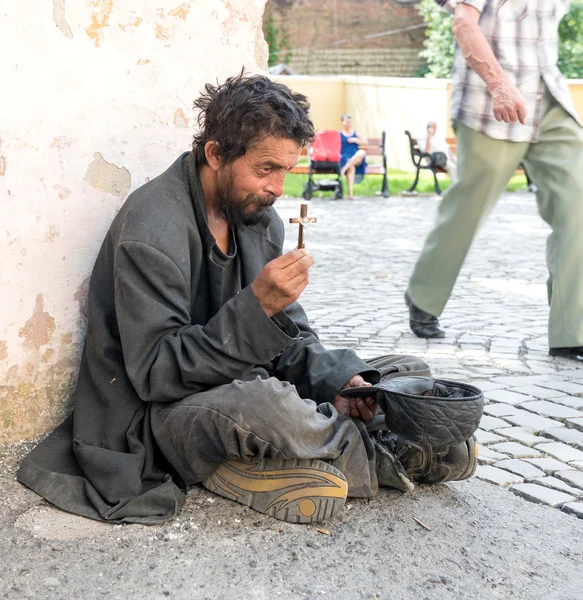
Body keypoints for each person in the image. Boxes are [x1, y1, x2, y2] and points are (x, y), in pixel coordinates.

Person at [17, 73, 477, 527]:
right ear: (216, 153)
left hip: (241, 380)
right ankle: (385, 453)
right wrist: (256, 307)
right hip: (160, 415)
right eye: (266, 169)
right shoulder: (152, 230)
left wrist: (340, 380)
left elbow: (289, 336)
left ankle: (295, 456)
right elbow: (158, 374)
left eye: (286, 170)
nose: (278, 187)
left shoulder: (256, 215)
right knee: (268, 406)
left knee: (403, 373)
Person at [405, 0, 583, 362]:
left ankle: (572, 329)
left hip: (548, 95)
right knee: (470, 206)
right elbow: (463, 24)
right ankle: (424, 296)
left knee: (577, 203)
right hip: (491, 103)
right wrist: (499, 84)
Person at [416, 120, 458, 184]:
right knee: (453, 168)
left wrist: (452, 157)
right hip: (435, 159)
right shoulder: (422, 137)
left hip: (447, 158)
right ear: (428, 127)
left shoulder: (438, 136)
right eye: (433, 127)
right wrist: (429, 136)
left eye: (435, 127)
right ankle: (456, 188)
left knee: (462, 165)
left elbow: (447, 148)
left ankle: (463, 187)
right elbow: (426, 152)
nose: (434, 129)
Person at [339, 114, 367, 199]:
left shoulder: (355, 133)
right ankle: (350, 193)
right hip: (345, 157)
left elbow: (365, 143)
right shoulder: (339, 134)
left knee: (362, 152)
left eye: (350, 122)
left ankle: (343, 169)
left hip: (356, 157)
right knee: (351, 168)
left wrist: (355, 140)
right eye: (347, 122)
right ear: (343, 122)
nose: (349, 124)